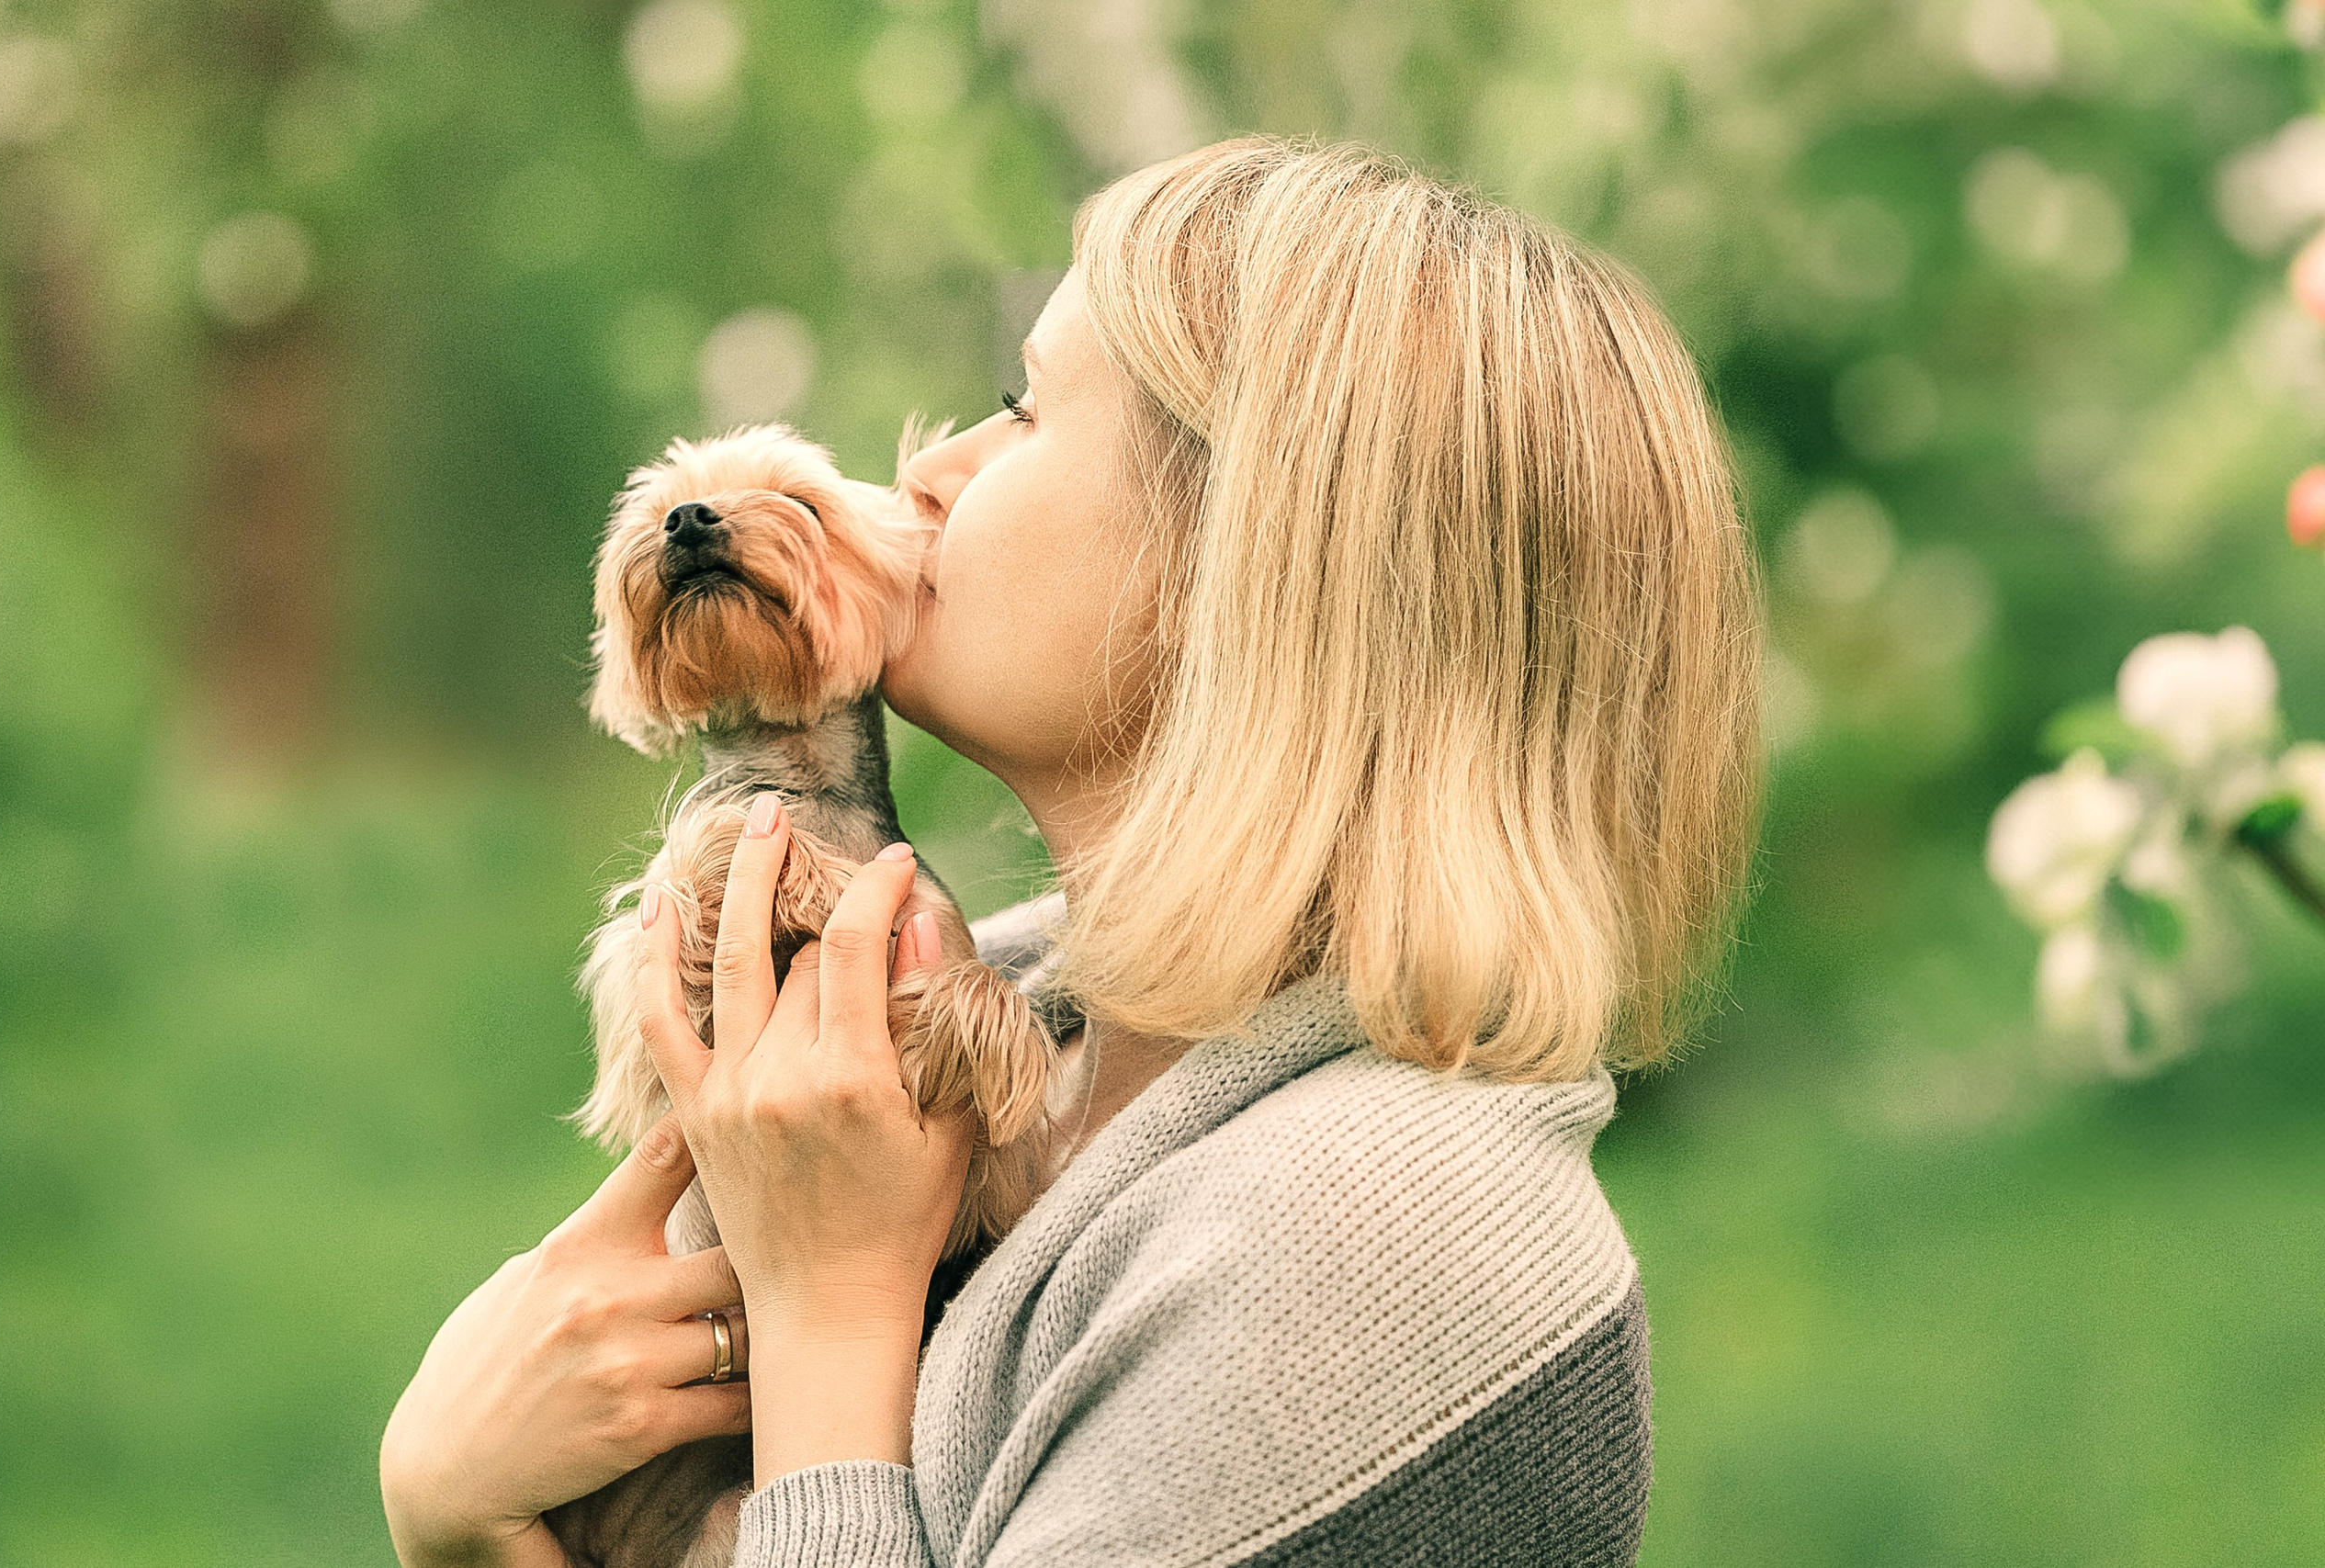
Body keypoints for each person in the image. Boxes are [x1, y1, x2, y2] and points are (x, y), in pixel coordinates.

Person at [380, 134, 1763, 1567]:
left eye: (1021, 411)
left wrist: (831, 1310)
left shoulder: (1376, 1247)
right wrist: (464, 1520)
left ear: (1250, 560)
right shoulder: (1009, 1019)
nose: (930, 475)